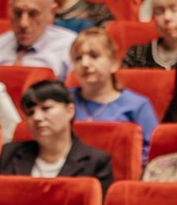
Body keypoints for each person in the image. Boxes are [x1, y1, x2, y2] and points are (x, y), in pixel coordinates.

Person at [0, 78, 115, 190]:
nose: (37, 117)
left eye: (46, 108)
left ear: (70, 110)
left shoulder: (96, 162)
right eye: (30, 113)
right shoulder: (9, 153)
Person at [66, 24, 157, 153]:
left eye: (94, 56)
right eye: (78, 58)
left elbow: (152, 151)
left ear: (114, 63)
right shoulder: (64, 101)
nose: (84, 64)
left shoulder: (138, 105)